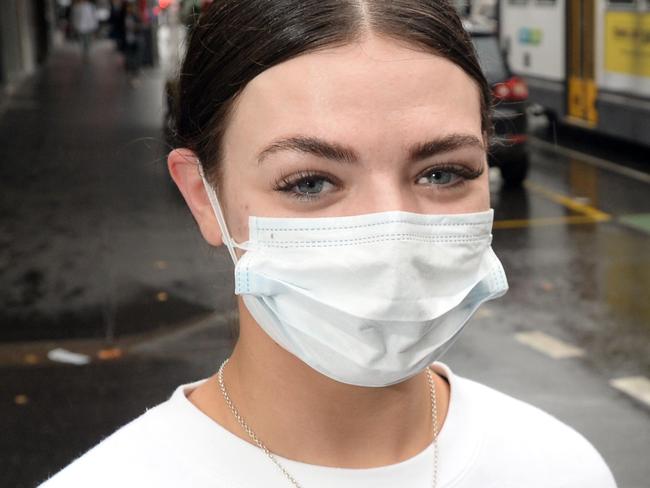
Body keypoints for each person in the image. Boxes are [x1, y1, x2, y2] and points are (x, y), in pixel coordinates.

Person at [40, 1, 618, 487]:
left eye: (443, 173)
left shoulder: (565, 467)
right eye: (309, 182)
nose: (391, 233)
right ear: (201, 196)